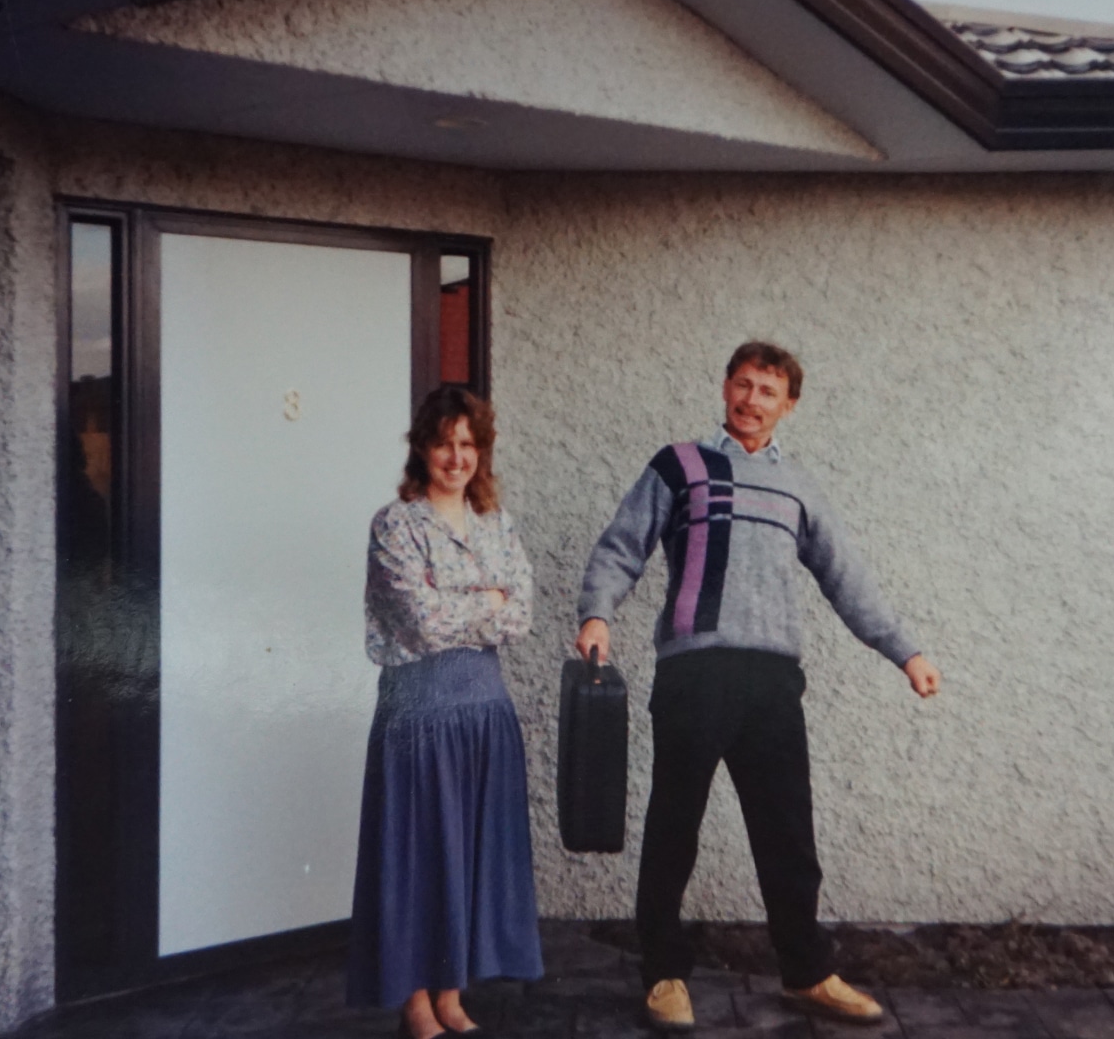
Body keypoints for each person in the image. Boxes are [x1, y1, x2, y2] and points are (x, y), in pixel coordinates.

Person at [576, 341, 942, 1031]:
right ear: (724, 388)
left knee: (787, 834)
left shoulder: (798, 487)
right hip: (694, 672)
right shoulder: (678, 464)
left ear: (789, 405)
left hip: (773, 680)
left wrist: (906, 652)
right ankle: (663, 975)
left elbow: (847, 578)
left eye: (767, 391)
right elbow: (620, 547)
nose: (751, 400)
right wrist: (597, 613)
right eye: (742, 385)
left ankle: (806, 972)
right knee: (674, 827)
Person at [347, 386, 544, 1038]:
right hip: (420, 713)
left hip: (486, 711)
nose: (456, 457)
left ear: (481, 452)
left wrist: (471, 600)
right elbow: (423, 624)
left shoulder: (497, 523)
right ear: (422, 449)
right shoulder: (395, 525)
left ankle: (452, 991)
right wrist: (485, 598)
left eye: (469, 444)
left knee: (470, 858)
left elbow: (522, 615)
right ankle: (413, 1001)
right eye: (444, 442)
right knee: (419, 859)